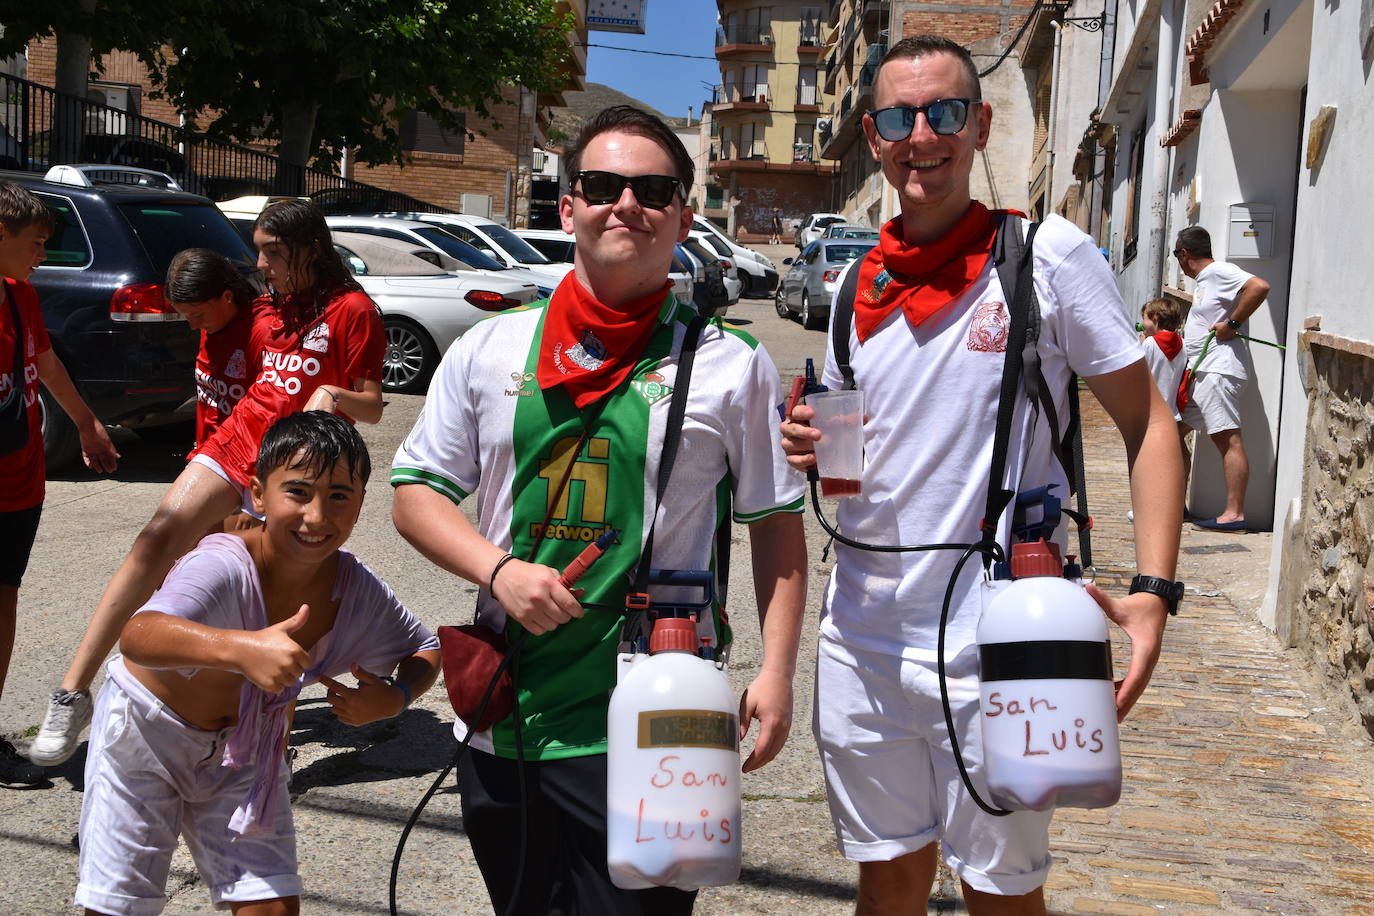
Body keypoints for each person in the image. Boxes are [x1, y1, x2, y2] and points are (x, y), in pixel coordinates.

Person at [780, 36, 1184, 915]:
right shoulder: (853, 287)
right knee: (886, 878)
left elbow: (1149, 420)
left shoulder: (1046, 258)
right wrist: (816, 448)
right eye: (897, 117)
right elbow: (856, 460)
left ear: (981, 125)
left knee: (999, 890)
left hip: (1000, 636)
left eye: (945, 112)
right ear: (873, 135)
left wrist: (1153, 589)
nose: (921, 135)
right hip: (863, 637)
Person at [391, 105, 807, 916]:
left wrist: (779, 671)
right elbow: (415, 492)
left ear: (685, 216)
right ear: (568, 205)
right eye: (605, 185)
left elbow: (776, 524)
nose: (628, 204)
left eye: (654, 189)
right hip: (509, 714)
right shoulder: (490, 348)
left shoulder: (732, 364)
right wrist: (498, 571)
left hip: (663, 719)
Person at [29, 199, 386, 767]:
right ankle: (73, 692)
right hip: (237, 441)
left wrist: (335, 396)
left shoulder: (352, 311)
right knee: (154, 542)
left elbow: (372, 405)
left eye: (272, 252)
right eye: (258, 251)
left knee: (278, 595)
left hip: (295, 467)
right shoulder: (267, 308)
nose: (261, 264)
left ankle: (272, 741)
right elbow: (214, 307)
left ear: (310, 249)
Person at [74, 410, 439, 915]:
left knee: (270, 907)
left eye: (339, 496)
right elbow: (139, 635)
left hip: (245, 754)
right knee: (120, 906)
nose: (317, 516)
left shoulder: (356, 587)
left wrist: (395, 697)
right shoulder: (221, 563)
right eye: (298, 492)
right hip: (144, 734)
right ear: (258, 494)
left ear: (359, 506)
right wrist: (242, 649)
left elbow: (425, 647)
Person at [0, 182, 119, 787]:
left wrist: (86, 422)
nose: (42, 254)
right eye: (37, 243)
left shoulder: (21, 296)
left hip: (20, 482)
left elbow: (44, 363)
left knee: (3, 602)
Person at [1174, 225, 1269, 531]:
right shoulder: (1206, 281)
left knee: (1227, 439)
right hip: (1203, 372)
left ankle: (1234, 513)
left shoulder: (1219, 272)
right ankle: (1177, 505)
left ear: (1185, 254)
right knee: (1172, 434)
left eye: (1177, 255)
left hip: (1218, 370)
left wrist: (1232, 323)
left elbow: (1259, 286)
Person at [1139, 297, 1185, 422]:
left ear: (1155, 318)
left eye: (1144, 318)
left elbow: (1139, 374)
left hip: (1150, 411)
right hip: (1171, 412)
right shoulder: (1183, 344)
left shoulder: (1150, 343)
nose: (1142, 323)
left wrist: (1141, 345)